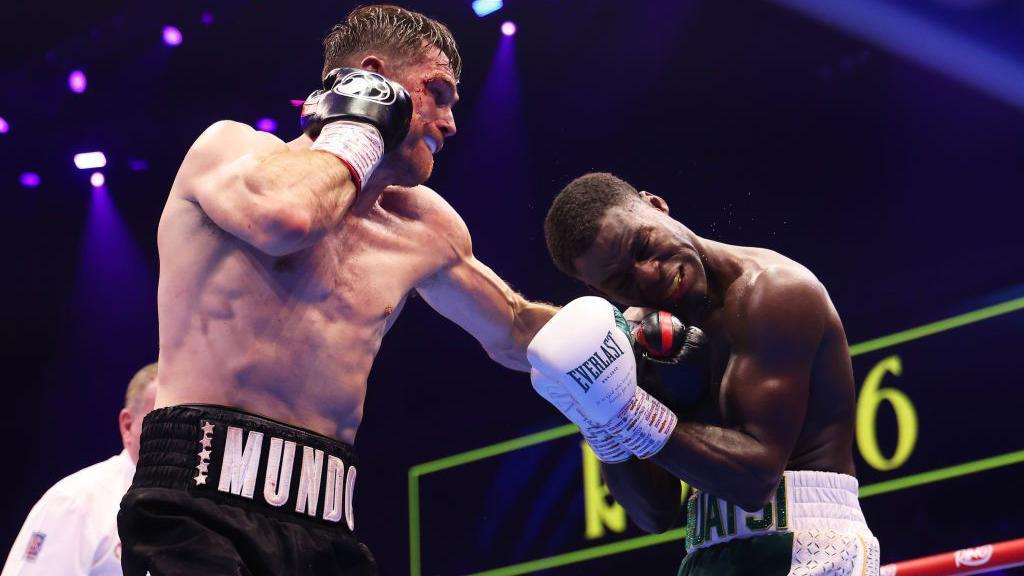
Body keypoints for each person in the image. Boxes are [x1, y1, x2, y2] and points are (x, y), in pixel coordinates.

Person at [118, 5, 556, 575]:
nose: (450, 123)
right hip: (198, 501)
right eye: (437, 93)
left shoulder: (422, 225)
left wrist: (624, 339)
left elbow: (514, 330)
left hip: (326, 520)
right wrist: (361, 127)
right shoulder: (231, 150)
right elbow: (287, 218)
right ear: (372, 79)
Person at [527, 172, 879, 575]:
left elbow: (757, 480)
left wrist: (628, 412)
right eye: (621, 280)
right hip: (707, 555)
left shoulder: (775, 291)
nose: (648, 275)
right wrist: (599, 423)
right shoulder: (635, 337)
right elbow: (655, 513)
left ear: (656, 205)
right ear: (600, 291)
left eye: (643, 246)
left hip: (810, 541)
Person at [3, 363, 158, 576]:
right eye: (163, 419)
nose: (179, 431)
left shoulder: (200, 510)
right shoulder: (75, 501)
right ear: (128, 425)